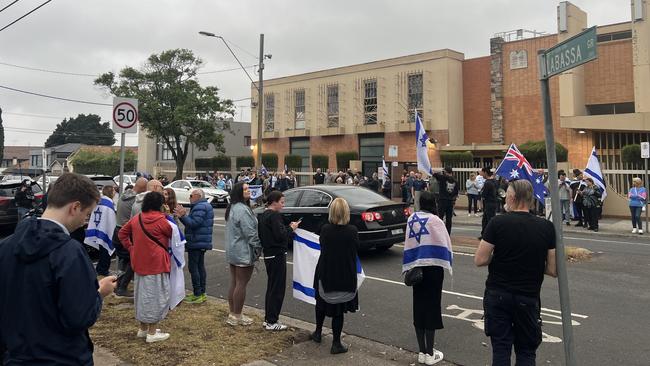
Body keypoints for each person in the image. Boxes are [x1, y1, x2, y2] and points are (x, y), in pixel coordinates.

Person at [0, 173, 117, 364]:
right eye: (87, 214)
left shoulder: (6, 247)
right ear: (75, 207)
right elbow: (78, 317)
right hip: (63, 357)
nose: (85, 222)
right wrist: (98, 294)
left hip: (16, 357)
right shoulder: (70, 253)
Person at [474, 179, 557, 365]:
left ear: (511, 198)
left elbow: (480, 259)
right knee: (526, 350)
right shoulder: (546, 227)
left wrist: (499, 258)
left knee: (501, 348)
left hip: (498, 294)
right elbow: (552, 269)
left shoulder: (497, 223)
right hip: (528, 297)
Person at [403, 191, 452, 365]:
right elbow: (444, 242)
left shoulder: (412, 219)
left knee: (419, 307)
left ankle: (421, 352)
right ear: (434, 203)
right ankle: (430, 353)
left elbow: (410, 243)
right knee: (432, 309)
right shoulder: (436, 221)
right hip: (433, 270)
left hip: (416, 269)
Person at [118, 192, 173, 343]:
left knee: (142, 295)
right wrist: (168, 216)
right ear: (160, 204)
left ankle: (143, 328)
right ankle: (152, 332)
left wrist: (131, 248)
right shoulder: (162, 220)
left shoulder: (137, 218)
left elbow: (122, 233)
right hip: (157, 263)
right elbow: (172, 233)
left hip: (139, 262)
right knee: (156, 296)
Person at [310, 197, 360, 355]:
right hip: (344, 273)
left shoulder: (325, 230)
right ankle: (336, 342)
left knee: (321, 303)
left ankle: (317, 332)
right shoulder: (352, 231)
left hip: (326, 271)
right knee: (339, 309)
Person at [258, 191, 300, 331]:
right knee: (277, 289)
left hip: (269, 254)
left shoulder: (264, 214)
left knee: (271, 287)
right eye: (282, 202)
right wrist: (291, 228)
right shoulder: (275, 216)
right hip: (277, 254)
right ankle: (272, 321)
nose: (283, 205)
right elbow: (280, 235)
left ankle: (269, 318)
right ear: (274, 202)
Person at [225, 182, 262, 326]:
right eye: (245, 189)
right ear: (238, 192)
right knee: (241, 284)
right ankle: (237, 315)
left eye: (248, 188)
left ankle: (233, 313)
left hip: (233, 251)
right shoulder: (242, 209)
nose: (248, 191)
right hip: (243, 251)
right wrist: (258, 246)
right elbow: (250, 233)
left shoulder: (233, 207)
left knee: (235, 282)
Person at [175, 189, 214, 304]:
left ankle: (198, 293)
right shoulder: (204, 205)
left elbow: (193, 223)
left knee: (194, 267)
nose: (189, 198)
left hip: (196, 241)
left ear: (197, 196)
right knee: (200, 266)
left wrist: (182, 216)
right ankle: (201, 292)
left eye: (191, 196)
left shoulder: (200, 207)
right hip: (200, 241)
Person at [113, 177, 148, 297]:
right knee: (133, 260)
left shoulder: (124, 196)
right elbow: (138, 219)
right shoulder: (135, 201)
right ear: (144, 188)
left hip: (117, 230)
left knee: (124, 260)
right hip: (126, 233)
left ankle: (118, 285)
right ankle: (122, 287)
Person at [94, 185, 117, 276]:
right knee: (106, 252)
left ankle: (100, 268)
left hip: (100, 228)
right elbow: (111, 219)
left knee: (102, 251)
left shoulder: (100, 202)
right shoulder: (108, 204)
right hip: (106, 230)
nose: (115, 193)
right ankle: (103, 270)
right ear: (111, 192)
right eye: (113, 191)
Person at [432, 167, 459, 234]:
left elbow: (433, 173)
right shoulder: (455, 181)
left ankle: (439, 232)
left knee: (440, 217)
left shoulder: (443, 178)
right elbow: (456, 192)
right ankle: (447, 233)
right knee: (449, 219)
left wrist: (435, 171)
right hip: (450, 201)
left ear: (445, 172)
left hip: (442, 200)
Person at [480, 168, 498, 240]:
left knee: (489, 220)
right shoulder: (495, 182)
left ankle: (491, 236)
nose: (481, 174)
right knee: (485, 220)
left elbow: (484, 195)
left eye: (482, 172)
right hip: (493, 203)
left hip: (489, 203)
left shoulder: (487, 183)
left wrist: (481, 193)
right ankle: (484, 235)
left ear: (485, 173)